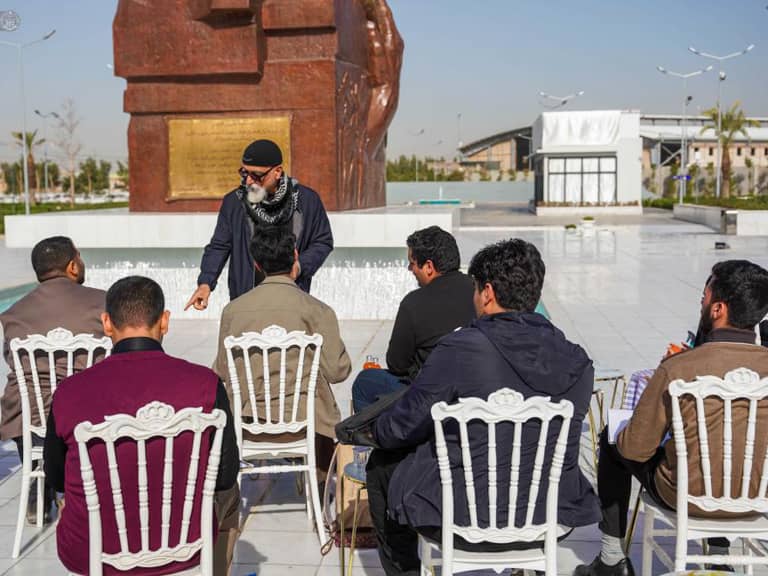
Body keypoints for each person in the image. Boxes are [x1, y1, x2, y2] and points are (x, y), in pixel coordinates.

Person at [367, 239, 599, 576]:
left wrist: (375, 430)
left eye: (475, 290)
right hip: (549, 513)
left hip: (464, 513)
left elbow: (405, 423)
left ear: (487, 293)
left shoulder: (461, 348)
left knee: (381, 466)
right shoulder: (578, 360)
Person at [574, 260, 768, 576]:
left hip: (686, 494)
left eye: (704, 296)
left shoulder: (679, 368)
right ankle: (718, 554)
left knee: (614, 439)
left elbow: (635, 449)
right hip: (756, 498)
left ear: (718, 309)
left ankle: (611, 559)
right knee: (723, 448)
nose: (701, 302)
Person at [44, 276, 240, 576]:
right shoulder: (205, 384)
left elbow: (56, 479)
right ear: (164, 322)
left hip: (92, 550)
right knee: (232, 494)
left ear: (107, 324)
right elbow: (225, 476)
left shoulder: (69, 392)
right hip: (187, 543)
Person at [212, 225, 351, 473]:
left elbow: (222, 370)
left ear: (256, 264)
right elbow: (338, 372)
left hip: (247, 421)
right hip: (305, 423)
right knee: (320, 398)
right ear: (295, 256)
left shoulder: (233, 311)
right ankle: (319, 483)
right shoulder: (318, 310)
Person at [0, 236, 105, 523]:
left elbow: (12, 362)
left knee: (19, 395)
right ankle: (78, 485)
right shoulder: (102, 302)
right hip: (85, 414)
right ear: (72, 266)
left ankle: (39, 484)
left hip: (31, 418)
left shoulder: (12, 314)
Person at [186, 139, 334, 310]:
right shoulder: (234, 202)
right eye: (244, 173)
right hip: (246, 300)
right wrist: (205, 283)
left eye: (256, 175)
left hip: (291, 299)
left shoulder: (307, 201)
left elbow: (322, 241)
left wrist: (299, 267)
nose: (248, 181)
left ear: (277, 172)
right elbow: (219, 246)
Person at [351, 226, 475, 411]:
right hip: (473, 391)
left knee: (365, 381)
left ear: (429, 267)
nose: (410, 269)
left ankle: (377, 437)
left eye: (412, 263)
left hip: (429, 399)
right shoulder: (480, 294)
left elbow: (397, 364)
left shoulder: (414, 303)